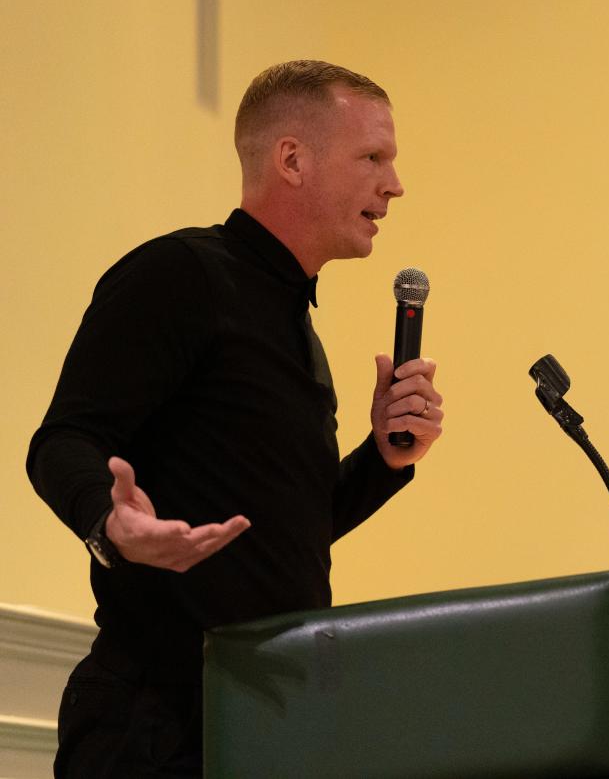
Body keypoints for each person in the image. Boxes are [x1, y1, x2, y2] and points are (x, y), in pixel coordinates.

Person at [27, 60, 442, 777]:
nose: (394, 184)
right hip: (154, 722)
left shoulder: (291, 322)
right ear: (292, 160)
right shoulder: (181, 274)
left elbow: (278, 529)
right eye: (373, 157)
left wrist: (384, 458)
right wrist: (109, 522)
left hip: (267, 716)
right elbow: (62, 439)